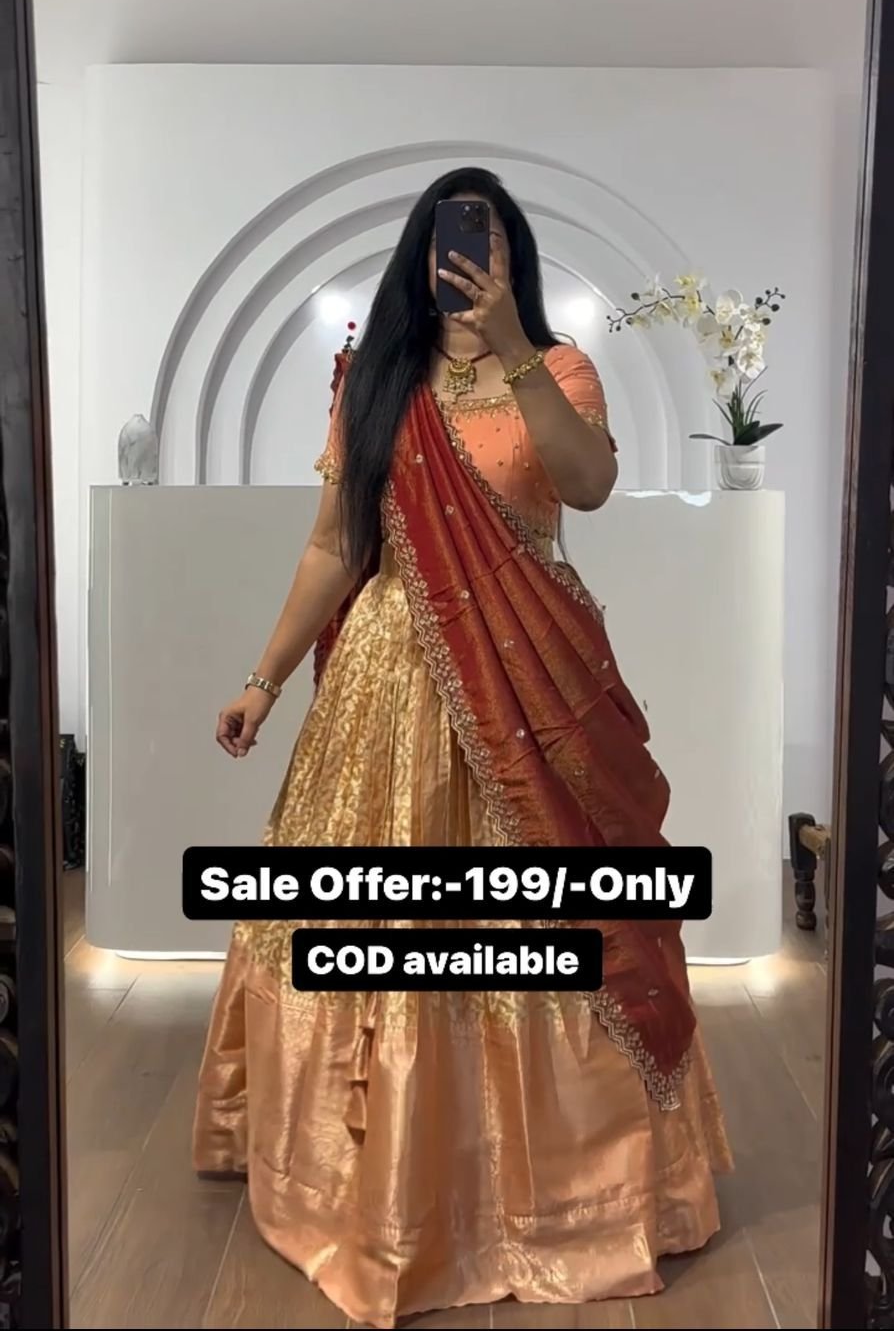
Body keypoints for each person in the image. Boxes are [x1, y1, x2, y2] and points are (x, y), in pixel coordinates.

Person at [193, 167, 731, 1329]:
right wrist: (263, 678)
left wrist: (518, 352)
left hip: (533, 689)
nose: (466, 260)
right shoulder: (376, 381)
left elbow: (588, 485)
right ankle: (380, 1192)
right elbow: (336, 543)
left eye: (485, 242)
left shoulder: (560, 369)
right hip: (388, 690)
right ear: (421, 255)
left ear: (509, 255)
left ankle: (561, 1196)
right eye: (450, 242)